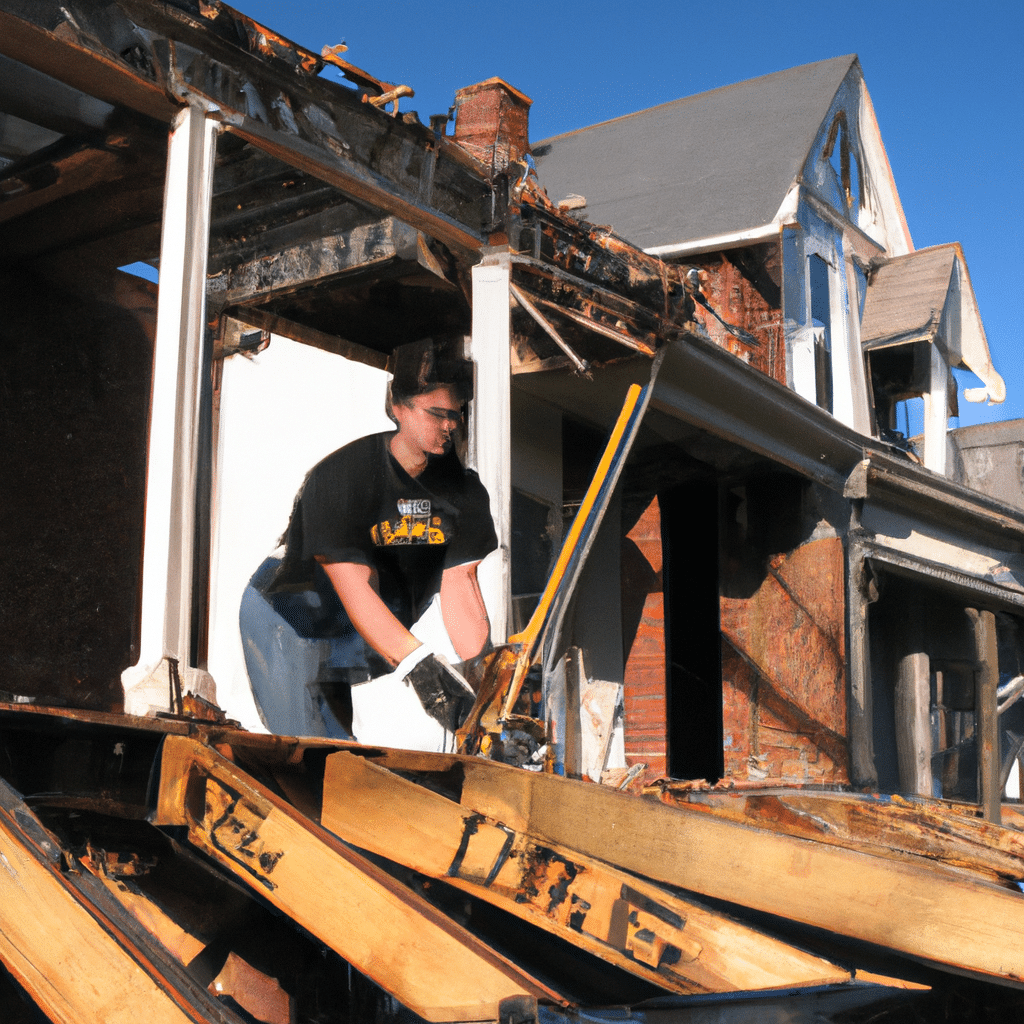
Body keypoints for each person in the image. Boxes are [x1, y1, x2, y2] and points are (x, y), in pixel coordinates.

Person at [240, 336, 497, 749]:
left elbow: (460, 585)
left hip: (360, 631)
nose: (449, 426)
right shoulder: (344, 476)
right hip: (290, 622)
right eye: (436, 414)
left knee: (346, 754)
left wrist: (487, 683)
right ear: (397, 407)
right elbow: (353, 587)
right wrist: (421, 666)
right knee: (320, 754)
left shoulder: (463, 493)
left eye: (456, 415)